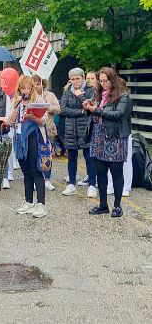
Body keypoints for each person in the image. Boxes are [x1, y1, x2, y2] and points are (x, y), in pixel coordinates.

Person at [83, 67, 131, 218]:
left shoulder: (123, 96)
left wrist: (96, 110)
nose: (103, 83)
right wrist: (88, 108)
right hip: (99, 136)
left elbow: (118, 114)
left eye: (106, 81)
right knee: (100, 173)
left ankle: (117, 206)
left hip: (115, 137)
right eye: (101, 81)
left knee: (117, 173)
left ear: (113, 80)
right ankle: (103, 205)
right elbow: (95, 112)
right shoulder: (98, 94)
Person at [9, 75, 48, 218]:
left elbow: (43, 120)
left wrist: (33, 118)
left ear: (32, 87)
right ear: (19, 88)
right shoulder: (16, 100)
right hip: (19, 138)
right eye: (23, 88)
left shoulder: (38, 99)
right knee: (25, 171)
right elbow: (10, 121)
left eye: (28, 87)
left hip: (34, 137)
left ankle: (41, 204)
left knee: (35, 170)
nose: (25, 90)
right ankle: (28, 201)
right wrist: (16, 106)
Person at [60, 68, 97, 197]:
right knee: (71, 158)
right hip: (70, 129)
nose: (75, 81)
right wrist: (80, 112)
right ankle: (71, 184)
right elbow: (63, 110)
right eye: (73, 79)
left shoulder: (90, 90)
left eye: (78, 78)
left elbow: (89, 107)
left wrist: (79, 95)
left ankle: (92, 185)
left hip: (85, 128)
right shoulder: (66, 91)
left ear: (83, 78)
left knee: (89, 157)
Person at [32, 75, 60, 191]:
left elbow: (59, 109)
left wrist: (49, 108)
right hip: (34, 130)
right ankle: (37, 179)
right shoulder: (30, 96)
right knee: (35, 155)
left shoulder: (50, 95)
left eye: (38, 84)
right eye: (34, 85)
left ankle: (47, 179)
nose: (36, 87)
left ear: (43, 84)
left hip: (48, 129)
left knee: (47, 155)